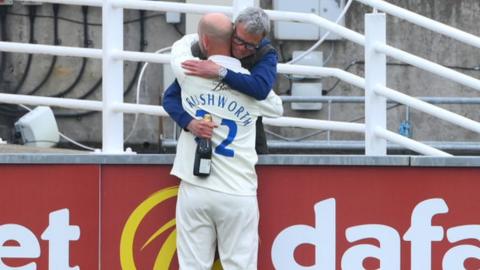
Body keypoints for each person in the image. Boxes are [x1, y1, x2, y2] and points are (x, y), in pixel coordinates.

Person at [169, 13, 283, 270]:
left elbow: (178, 49)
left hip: (196, 186)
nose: (243, 48)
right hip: (238, 191)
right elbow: (276, 107)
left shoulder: (189, 70)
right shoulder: (251, 83)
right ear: (231, 35)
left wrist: (207, 50)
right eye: (237, 40)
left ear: (205, 42)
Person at [163, 7, 277, 154]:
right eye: (238, 40)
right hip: (200, 143)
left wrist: (220, 72)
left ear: (261, 41)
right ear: (233, 29)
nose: (242, 49)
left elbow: (260, 89)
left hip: (247, 143)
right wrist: (189, 122)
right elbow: (170, 97)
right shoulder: (210, 47)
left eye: (250, 46)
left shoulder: (265, 53)